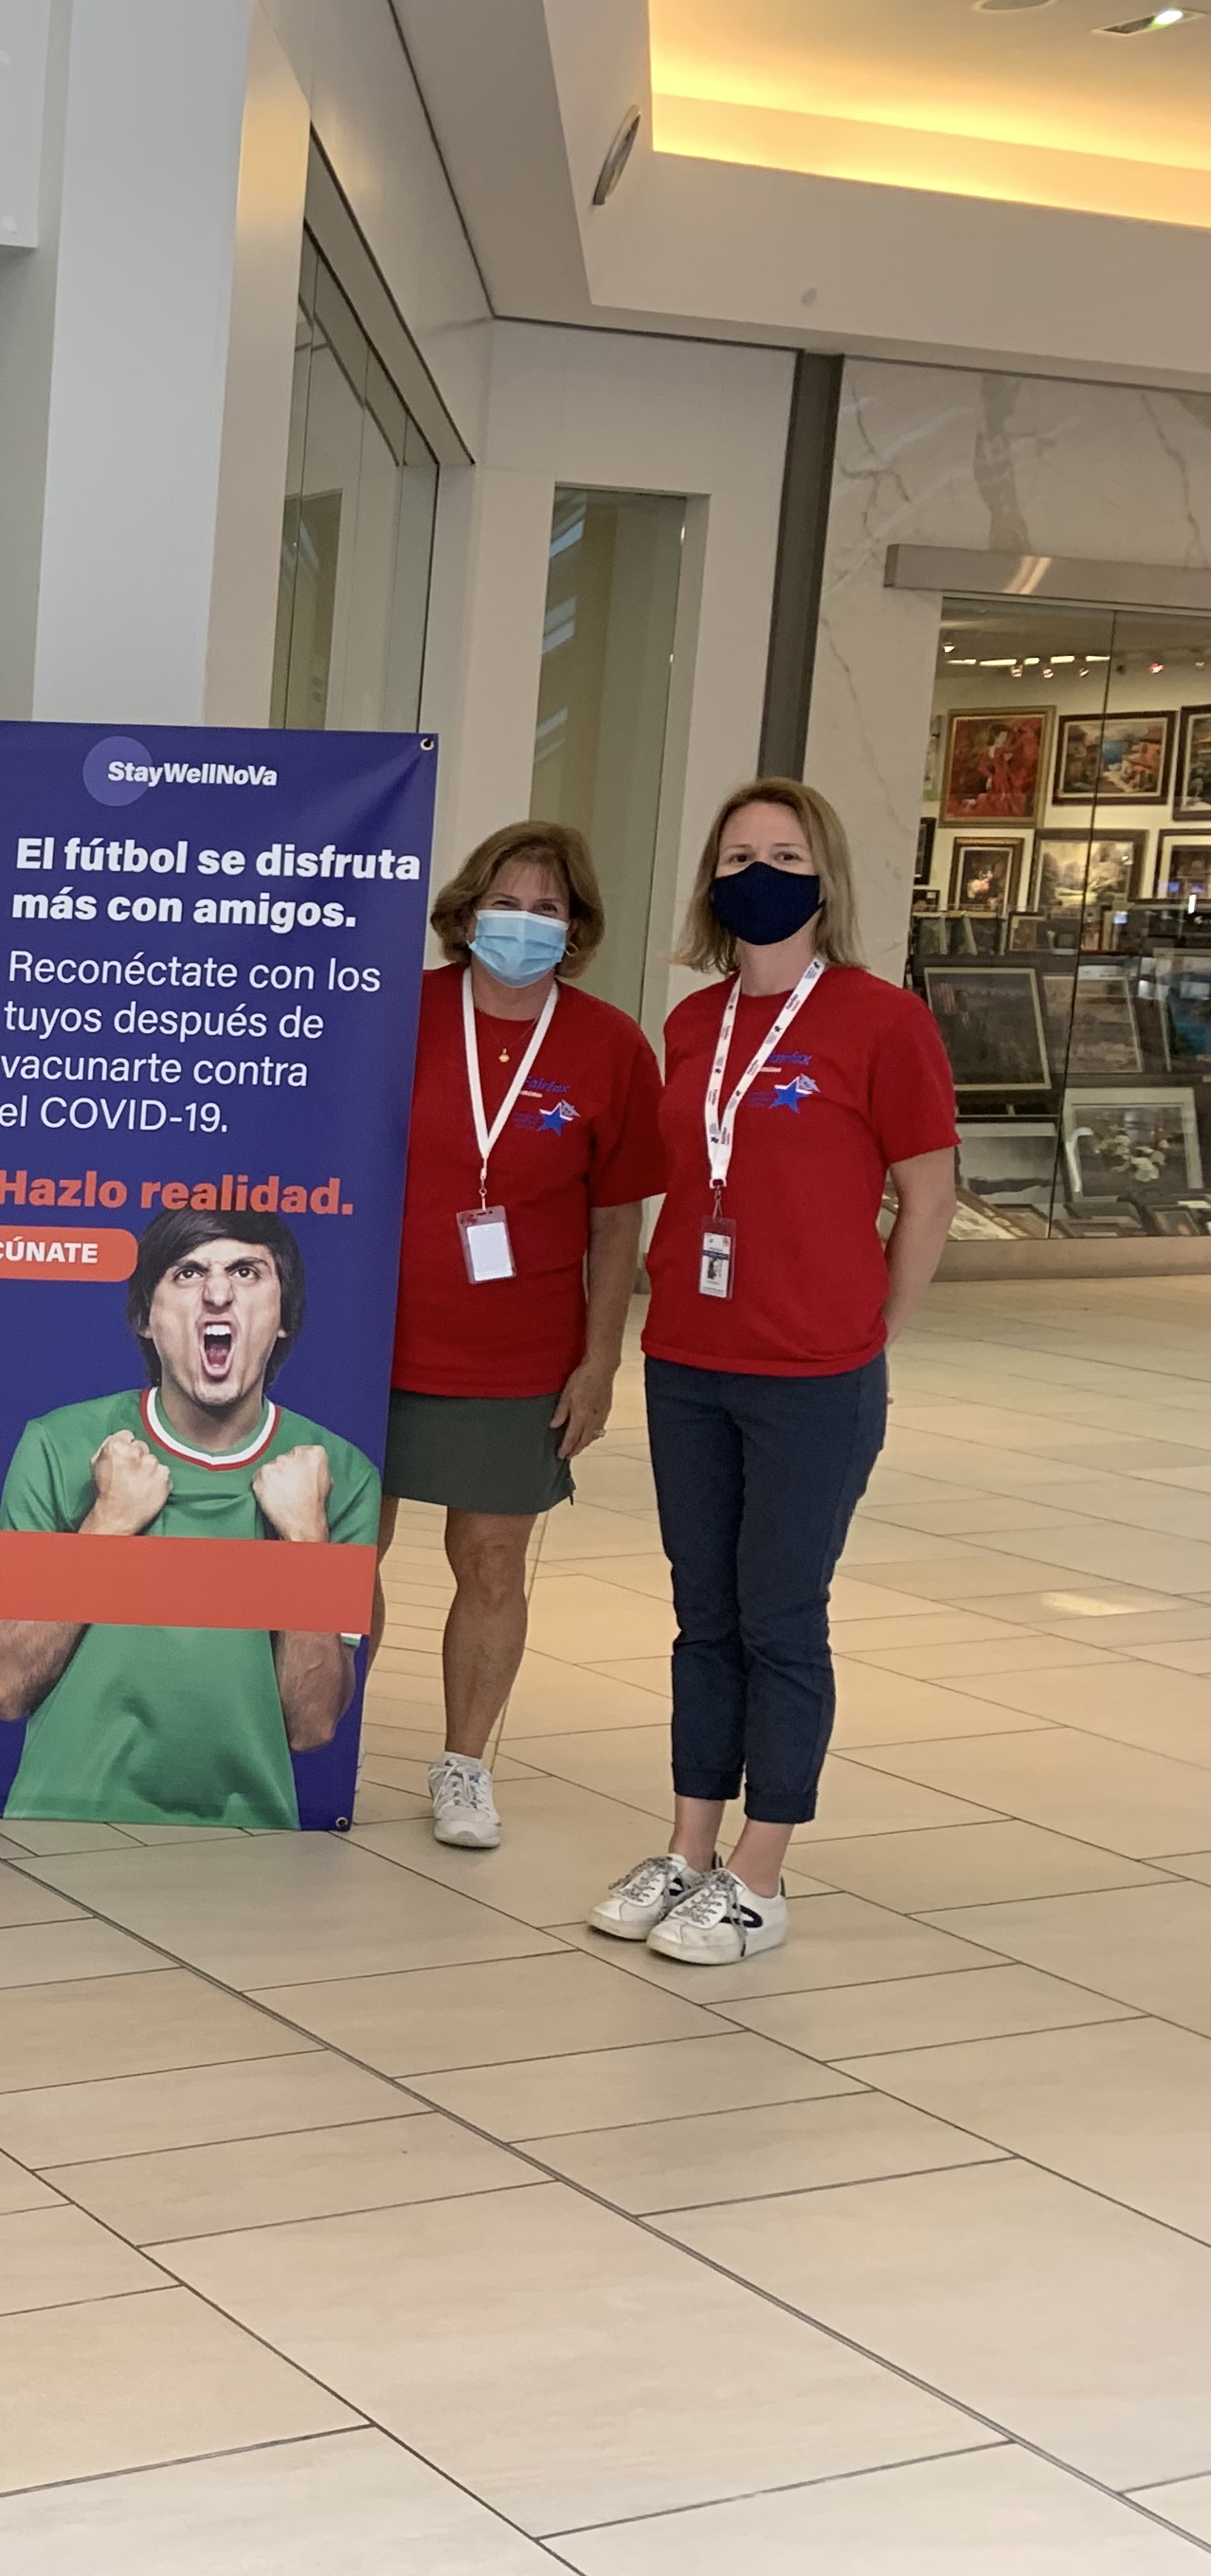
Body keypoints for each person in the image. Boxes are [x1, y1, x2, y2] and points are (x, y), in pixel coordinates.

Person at [591, 780, 954, 1966]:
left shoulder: (879, 1018)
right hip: (690, 1358)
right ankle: (689, 1848)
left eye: (785, 853)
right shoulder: (693, 1022)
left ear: (824, 876)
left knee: (782, 1617)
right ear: (712, 880)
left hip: (813, 1372)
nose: (761, 871)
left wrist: (870, 1330)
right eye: (739, 853)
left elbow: (931, 1194)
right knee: (705, 1615)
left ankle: (762, 1872)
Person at [375, 821, 665, 1850]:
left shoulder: (610, 1046)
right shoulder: (393, 1012)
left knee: (492, 1560)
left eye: (547, 909)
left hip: (518, 1350)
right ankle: (312, 1742)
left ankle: (464, 1765)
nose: (523, 923)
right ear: (467, 908)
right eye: (507, 902)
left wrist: (600, 1359)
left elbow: (618, 1217)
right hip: (373, 1336)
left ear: (575, 927)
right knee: (341, 1548)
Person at [0, 1209, 382, 1825]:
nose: (218, 1294)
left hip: (251, 1844)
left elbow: (312, 1724)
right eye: (188, 1272)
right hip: (63, 1821)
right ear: (145, 1318)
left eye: (247, 1271)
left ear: (282, 1320)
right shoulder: (59, 1445)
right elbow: (2, 1688)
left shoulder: (340, 1477)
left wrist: (307, 1545)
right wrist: (106, 1527)